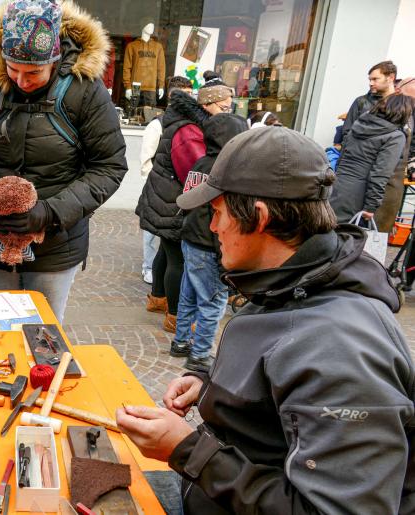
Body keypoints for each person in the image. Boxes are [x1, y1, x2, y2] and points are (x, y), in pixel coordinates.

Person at [117, 127, 415, 514]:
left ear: (258, 217)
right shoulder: (286, 281)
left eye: (218, 213)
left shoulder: (339, 347)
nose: (212, 228)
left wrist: (188, 449)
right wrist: (210, 387)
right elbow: (279, 396)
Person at [0, 0, 127, 322]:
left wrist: (49, 213)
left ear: (55, 60)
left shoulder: (85, 90)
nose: (21, 80)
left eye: (33, 73)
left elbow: (108, 166)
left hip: (56, 246)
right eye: (12, 69)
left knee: (42, 335)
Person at [137, 71, 232, 331]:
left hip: (167, 198)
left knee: (166, 253)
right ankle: (176, 316)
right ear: (206, 105)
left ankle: (157, 299)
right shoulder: (190, 130)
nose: (226, 112)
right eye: (223, 108)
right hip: (174, 202)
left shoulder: (187, 123)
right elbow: (195, 172)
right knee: (177, 258)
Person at [171, 113, 248, 372]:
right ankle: (200, 354)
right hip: (209, 244)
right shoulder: (226, 170)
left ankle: (181, 342)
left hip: (190, 238)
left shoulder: (201, 162)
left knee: (189, 295)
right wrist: (224, 258)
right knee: (213, 301)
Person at [139, 76, 193, 285]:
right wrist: (153, 184)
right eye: (185, 95)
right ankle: (148, 267)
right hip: (157, 185)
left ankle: (158, 269)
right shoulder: (157, 124)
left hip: (176, 188)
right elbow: (146, 159)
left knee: (168, 233)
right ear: (173, 97)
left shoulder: (188, 123)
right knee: (152, 230)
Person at [330, 93, 411, 224]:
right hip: (359, 194)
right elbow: (380, 174)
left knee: (327, 231)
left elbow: (342, 157)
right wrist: (371, 206)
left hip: (337, 186)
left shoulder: (358, 125)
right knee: (346, 238)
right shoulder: (395, 136)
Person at [341, 60, 397, 146]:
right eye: (370, 80)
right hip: (357, 156)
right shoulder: (361, 101)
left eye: (375, 79)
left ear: (391, 78)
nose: (371, 83)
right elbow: (347, 132)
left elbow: (408, 136)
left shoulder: (403, 104)